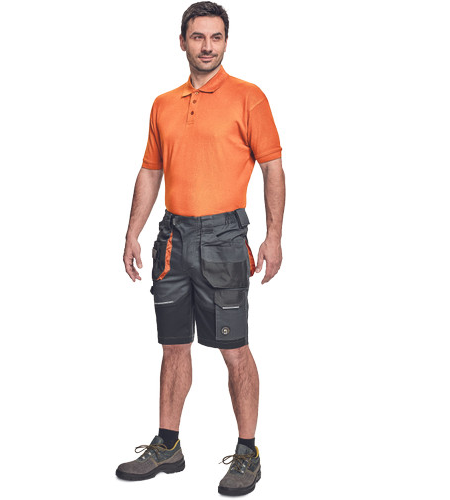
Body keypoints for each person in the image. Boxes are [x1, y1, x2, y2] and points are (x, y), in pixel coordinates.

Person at [117, 1, 285, 496]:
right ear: (182, 42)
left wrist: (274, 236)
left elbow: (273, 168)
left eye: (216, 37)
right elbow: (151, 170)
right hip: (172, 237)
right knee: (173, 345)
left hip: (225, 240)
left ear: (226, 42)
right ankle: (168, 445)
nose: (207, 46)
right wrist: (132, 231)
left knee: (234, 348)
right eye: (198, 37)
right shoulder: (163, 103)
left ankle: (248, 452)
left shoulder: (249, 97)